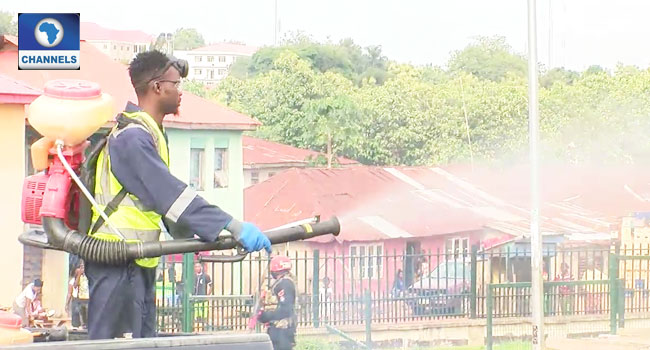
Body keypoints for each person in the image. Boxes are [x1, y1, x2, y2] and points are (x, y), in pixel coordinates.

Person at [85, 50, 271, 340]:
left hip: (136, 260)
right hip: (116, 260)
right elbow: (170, 195)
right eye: (176, 84)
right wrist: (231, 224)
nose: (180, 92)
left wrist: (196, 237)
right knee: (112, 345)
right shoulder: (132, 138)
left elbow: (163, 204)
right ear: (158, 87)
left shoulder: (150, 132)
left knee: (142, 343)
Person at [259, 256, 297, 350]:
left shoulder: (285, 283)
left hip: (282, 331)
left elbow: (285, 309)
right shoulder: (282, 282)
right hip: (278, 330)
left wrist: (266, 316)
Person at [66, 261, 89, 329]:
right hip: (80, 298)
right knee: (79, 313)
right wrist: (79, 275)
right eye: (81, 267)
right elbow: (75, 286)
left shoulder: (88, 277)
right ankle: (79, 326)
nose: (82, 269)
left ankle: (86, 326)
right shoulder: (78, 278)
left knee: (88, 314)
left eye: (83, 267)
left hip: (88, 298)